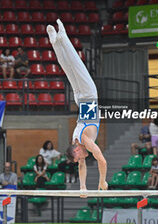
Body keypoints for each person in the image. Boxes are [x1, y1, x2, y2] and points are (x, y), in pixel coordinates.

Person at [47, 20, 107, 193]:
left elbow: (102, 161)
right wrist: (82, 187)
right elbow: (82, 167)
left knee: (75, 65)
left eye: (78, 157)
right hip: (81, 99)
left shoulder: (85, 141)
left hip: (88, 95)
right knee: (68, 68)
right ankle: (55, 42)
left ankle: (63, 37)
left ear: (76, 149)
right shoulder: (77, 141)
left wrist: (102, 182)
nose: (81, 160)